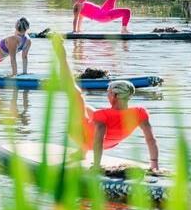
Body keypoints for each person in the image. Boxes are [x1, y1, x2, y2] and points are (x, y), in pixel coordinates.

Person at [53, 42, 159, 174]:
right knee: (87, 108)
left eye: (108, 92)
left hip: (90, 141)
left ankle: (61, 56)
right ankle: (82, 150)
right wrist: (154, 165)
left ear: (114, 95)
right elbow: (150, 139)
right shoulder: (140, 113)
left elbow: (98, 141)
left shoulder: (103, 116)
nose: (107, 94)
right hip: (112, 143)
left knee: (75, 95)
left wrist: (96, 166)